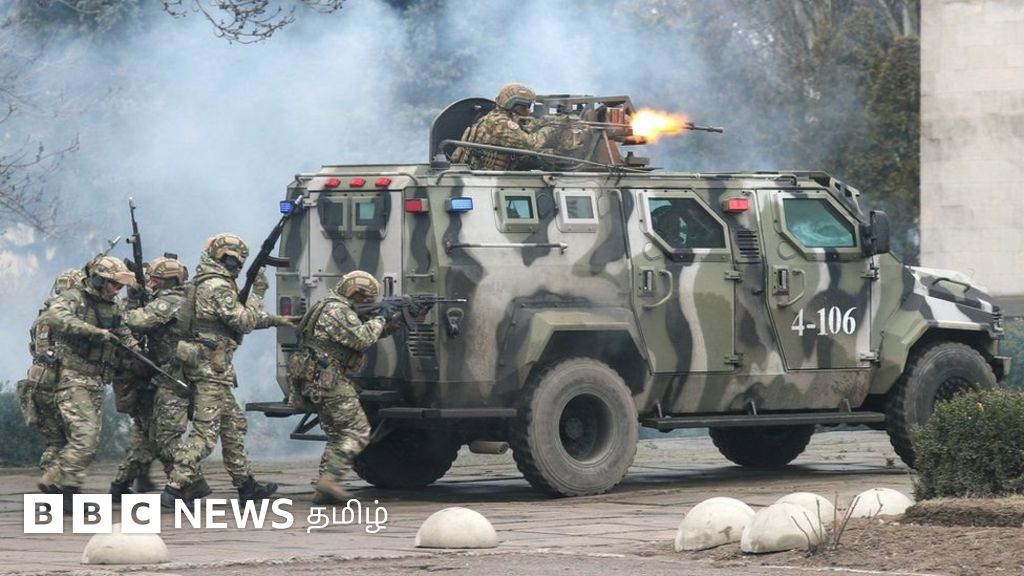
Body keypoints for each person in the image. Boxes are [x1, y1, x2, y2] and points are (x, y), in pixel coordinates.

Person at [162, 233, 288, 507]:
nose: (237, 264)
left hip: (211, 367)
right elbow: (242, 321)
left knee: (232, 426)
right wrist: (258, 291)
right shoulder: (218, 285)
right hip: (211, 369)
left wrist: (277, 320)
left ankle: (246, 485)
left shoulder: (206, 282)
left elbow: (227, 321)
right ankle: (175, 486)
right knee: (205, 435)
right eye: (235, 259)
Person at [288, 271, 404, 503]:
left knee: (336, 434)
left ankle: (325, 488)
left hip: (318, 379)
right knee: (358, 430)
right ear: (355, 292)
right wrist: (381, 317)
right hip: (330, 380)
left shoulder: (326, 305)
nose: (365, 303)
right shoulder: (338, 310)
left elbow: (350, 336)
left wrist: (393, 322)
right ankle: (330, 480)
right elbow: (361, 338)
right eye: (365, 298)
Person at [39, 256, 138, 506]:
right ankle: (66, 490)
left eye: (121, 287)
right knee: (86, 436)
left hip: (95, 380)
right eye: (114, 285)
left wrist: (138, 355)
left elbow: (124, 334)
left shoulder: (114, 306)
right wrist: (95, 332)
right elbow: (56, 317)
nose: (117, 291)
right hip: (72, 377)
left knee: (88, 442)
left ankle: (56, 480)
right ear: (98, 279)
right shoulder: (74, 297)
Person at [110, 255, 190, 501]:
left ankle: (125, 483)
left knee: (148, 434)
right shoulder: (139, 307)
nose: (151, 285)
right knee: (153, 434)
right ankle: (182, 483)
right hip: (142, 374)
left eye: (154, 280)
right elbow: (131, 325)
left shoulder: (161, 303)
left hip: (154, 373)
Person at [19, 268, 85, 491]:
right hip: (56, 382)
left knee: (57, 440)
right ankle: (54, 480)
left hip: (38, 381)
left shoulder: (43, 316)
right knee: (76, 438)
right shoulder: (63, 317)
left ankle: (51, 479)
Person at [452, 82, 569, 170]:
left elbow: (529, 124)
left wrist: (550, 120)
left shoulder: (496, 117)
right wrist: (553, 128)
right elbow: (532, 144)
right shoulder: (500, 123)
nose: (528, 111)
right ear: (513, 106)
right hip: (485, 178)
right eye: (525, 107)